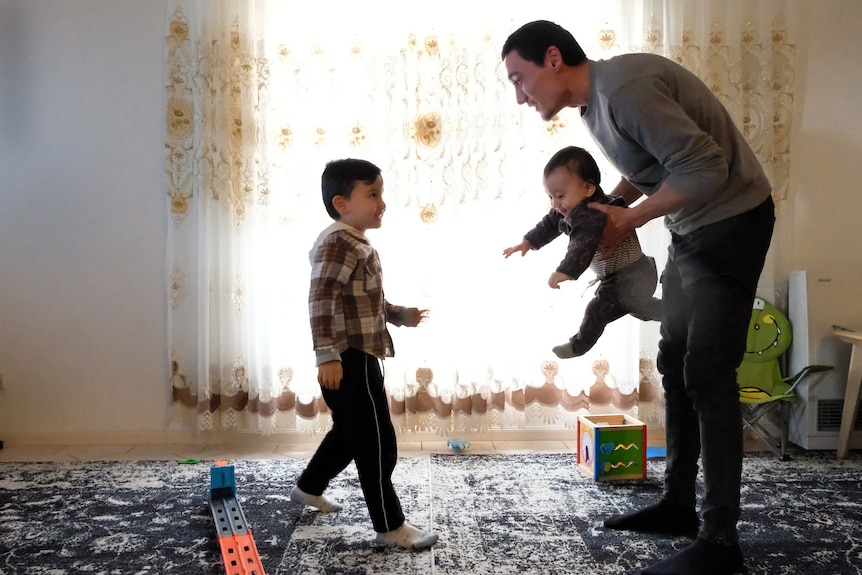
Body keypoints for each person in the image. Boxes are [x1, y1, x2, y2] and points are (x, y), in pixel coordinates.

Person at [502, 20, 775, 575]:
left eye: (520, 78)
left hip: (732, 223)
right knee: (675, 362)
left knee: (708, 371)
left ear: (553, 58)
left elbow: (705, 166)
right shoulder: (593, 108)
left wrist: (629, 218)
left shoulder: (622, 89)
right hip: (692, 229)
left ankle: (720, 542)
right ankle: (678, 506)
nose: (519, 95)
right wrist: (618, 200)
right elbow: (652, 167)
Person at [289, 158, 439, 551]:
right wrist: (327, 355)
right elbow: (321, 299)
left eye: (381, 193)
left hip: (361, 355)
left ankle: (308, 487)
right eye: (372, 194)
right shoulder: (338, 241)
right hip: (347, 358)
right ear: (341, 202)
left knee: (349, 432)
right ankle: (389, 526)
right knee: (375, 442)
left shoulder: (354, 242)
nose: (382, 203)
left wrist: (397, 315)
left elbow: (363, 300)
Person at [503, 145, 661, 360]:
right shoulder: (571, 207)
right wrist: (528, 242)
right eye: (550, 196)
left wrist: (565, 271)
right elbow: (550, 222)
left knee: (597, 310)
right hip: (628, 277)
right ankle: (673, 311)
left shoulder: (592, 214)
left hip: (630, 277)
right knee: (640, 308)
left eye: (559, 196)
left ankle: (579, 345)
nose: (555, 204)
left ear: (588, 188)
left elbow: (582, 245)